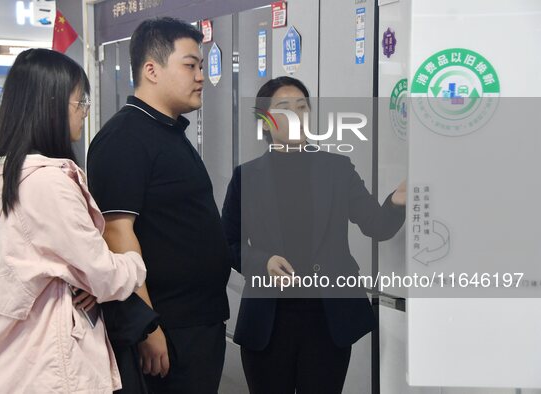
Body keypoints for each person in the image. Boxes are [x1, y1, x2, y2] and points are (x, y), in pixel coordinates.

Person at [0, 49, 157, 393]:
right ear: (49, 105)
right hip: (50, 366)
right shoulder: (46, 183)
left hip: (19, 360)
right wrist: (134, 262)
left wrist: (80, 279)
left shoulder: (10, 173)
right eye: (79, 101)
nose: (84, 111)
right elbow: (102, 273)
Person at [221, 76, 407, 394]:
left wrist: (397, 200)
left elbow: (377, 225)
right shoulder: (246, 177)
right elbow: (226, 245)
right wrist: (262, 261)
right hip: (268, 321)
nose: (296, 114)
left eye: (302, 106)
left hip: (326, 321)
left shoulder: (336, 169)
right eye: (284, 107)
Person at [87, 17, 231, 394]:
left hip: (199, 321)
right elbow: (117, 234)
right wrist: (146, 325)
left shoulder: (168, 131)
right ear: (152, 69)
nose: (201, 76)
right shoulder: (123, 139)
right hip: (167, 328)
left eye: (201, 66)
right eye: (190, 65)